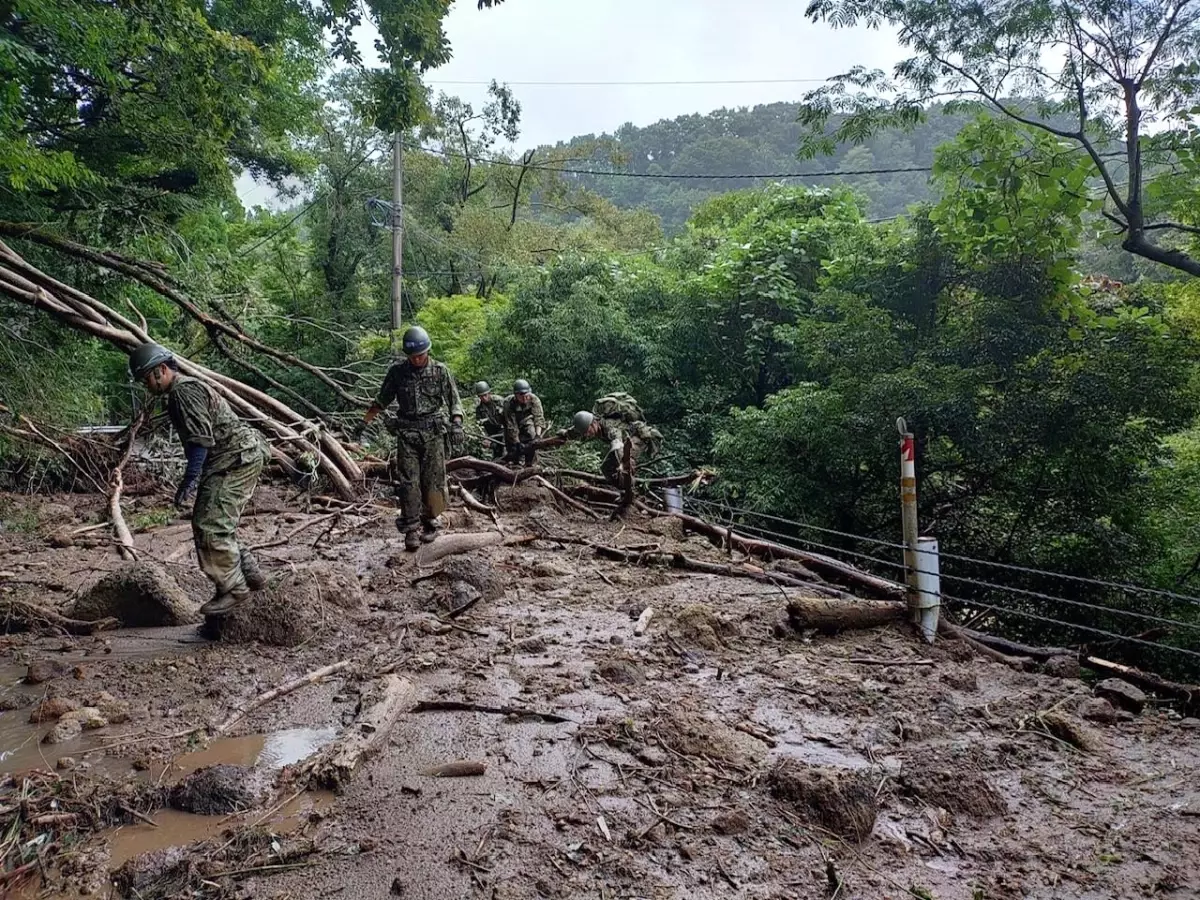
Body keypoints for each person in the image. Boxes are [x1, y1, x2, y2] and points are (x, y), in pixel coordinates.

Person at [128, 342, 270, 616]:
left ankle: (233, 590)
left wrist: (191, 477)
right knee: (215, 521)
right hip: (233, 456)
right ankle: (252, 577)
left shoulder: (183, 391)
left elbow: (201, 439)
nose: (146, 385)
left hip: (236, 457)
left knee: (210, 524)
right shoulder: (182, 390)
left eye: (146, 378)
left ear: (161, 371)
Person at [353, 326, 464, 551]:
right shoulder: (397, 373)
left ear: (428, 352)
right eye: (412, 356)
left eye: (420, 355)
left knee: (433, 480)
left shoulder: (440, 371)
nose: (416, 359)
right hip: (407, 434)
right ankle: (411, 528)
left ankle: (430, 522)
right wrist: (364, 423)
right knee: (408, 482)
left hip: (433, 433)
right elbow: (381, 400)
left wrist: (457, 423)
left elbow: (454, 401)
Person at [566, 392, 662, 489]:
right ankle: (623, 488)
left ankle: (629, 490)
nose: (587, 434)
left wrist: (621, 464)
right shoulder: (595, 425)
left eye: (587, 430)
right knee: (606, 468)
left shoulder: (609, 427)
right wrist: (562, 435)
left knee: (623, 462)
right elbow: (571, 433)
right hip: (627, 440)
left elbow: (618, 443)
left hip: (639, 437)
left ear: (593, 423)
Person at [503, 379, 545, 467]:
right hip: (512, 424)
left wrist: (537, 436)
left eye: (527, 395)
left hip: (527, 421)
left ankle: (530, 463)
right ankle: (514, 463)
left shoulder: (534, 400)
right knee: (513, 446)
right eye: (521, 396)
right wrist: (517, 442)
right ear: (516, 395)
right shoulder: (508, 403)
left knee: (531, 434)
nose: (525, 398)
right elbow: (511, 425)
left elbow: (539, 418)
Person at [473, 381, 506, 459]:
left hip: (504, 429)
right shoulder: (479, 408)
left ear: (489, 393)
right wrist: (484, 438)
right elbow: (480, 426)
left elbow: (510, 417)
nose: (484, 398)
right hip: (492, 433)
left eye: (485, 395)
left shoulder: (500, 401)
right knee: (494, 449)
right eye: (481, 396)